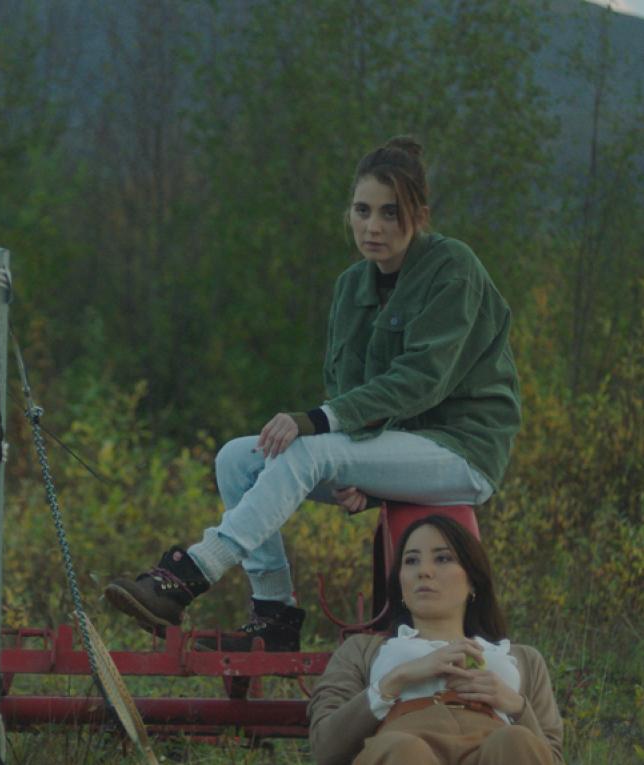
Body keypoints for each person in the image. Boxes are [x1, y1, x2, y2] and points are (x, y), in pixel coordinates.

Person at [105, 136, 521, 652]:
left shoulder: (453, 267)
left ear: (420, 216)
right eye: (362, 210)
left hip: (461, 450)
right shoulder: (352, 286)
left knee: (308, 447)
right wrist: (366, 474)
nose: (373, 227)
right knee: (237, 458)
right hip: (392, 452)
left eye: (390, 213)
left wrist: (321, 425)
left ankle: (193, 572)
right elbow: (348, 390)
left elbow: (422, 380)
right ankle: (274, 616)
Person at [308, 514, 563, 764]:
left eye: (442, 558)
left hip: (496, 746)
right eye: (411, 561)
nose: (424, 571)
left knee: (516, 741)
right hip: (403, 746)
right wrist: (396, 680)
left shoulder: (522, 658)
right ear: (400, 582)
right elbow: (325, 747)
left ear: (473, 580)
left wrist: (517, 706)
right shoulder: (363, 650)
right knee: (403, 749)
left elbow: (552, 758)